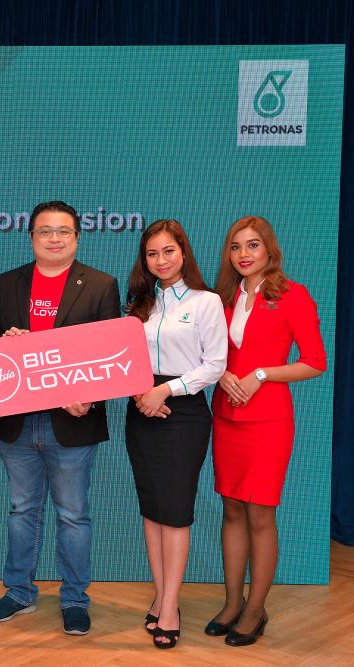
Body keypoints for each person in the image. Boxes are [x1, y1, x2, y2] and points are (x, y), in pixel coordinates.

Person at [0, 200, 120, 635]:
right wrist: (6, 341)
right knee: (22, 510)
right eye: (45, 231)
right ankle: (18, 592)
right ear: (31, 237)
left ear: (77, 237)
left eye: (63, 231)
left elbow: (110, 353)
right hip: (18, 421)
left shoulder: (100, 284)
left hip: (73, 423)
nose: (54, 238)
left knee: (73, 514)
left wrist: (92, 398)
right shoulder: (7, 283)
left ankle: (75, 598)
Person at [206, 216, 326, 647]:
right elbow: (207, 355)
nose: (243, 254)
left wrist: (261, 373)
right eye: (236, 246)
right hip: (226, 416)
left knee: (260, 513)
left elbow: (314, 361)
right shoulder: (220, 298)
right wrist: (221, 377)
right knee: (232, 510)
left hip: (269, 421)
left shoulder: (292, 296)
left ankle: (255, 611)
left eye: (252, 246)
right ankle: (232, 602)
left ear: (269, 250)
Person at [124, 220, 227, 649]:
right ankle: (162, 594)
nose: (161, 260)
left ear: (183, 252)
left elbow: (215, 364)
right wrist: (138, 392)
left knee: (176, 510)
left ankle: (169, 606)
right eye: (152, 254)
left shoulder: (206, 303)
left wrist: (164, 389)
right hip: (140, 409)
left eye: (168, 251)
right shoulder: (138, 305)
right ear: (144, 260)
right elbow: (121, 358)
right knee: (152, 509)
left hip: (182, 411)